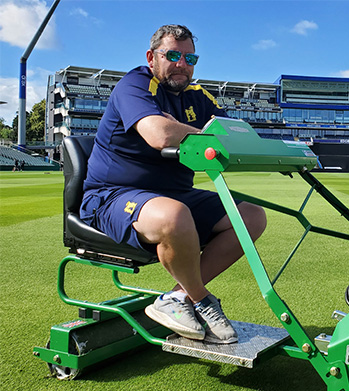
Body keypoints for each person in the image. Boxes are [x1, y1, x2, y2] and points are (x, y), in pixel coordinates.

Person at [80, 25, 266, 344]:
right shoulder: (135, 84)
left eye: (189, 56)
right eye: (174, 55)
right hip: (113, 195)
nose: (182, 64)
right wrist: (200, 133)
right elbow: (159, 134)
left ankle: (178, 299)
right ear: (152, 57)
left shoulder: (198, 95)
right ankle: (201, 298)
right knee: (174, 216)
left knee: (252, 216)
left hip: (175, 194)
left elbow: (231, 134)